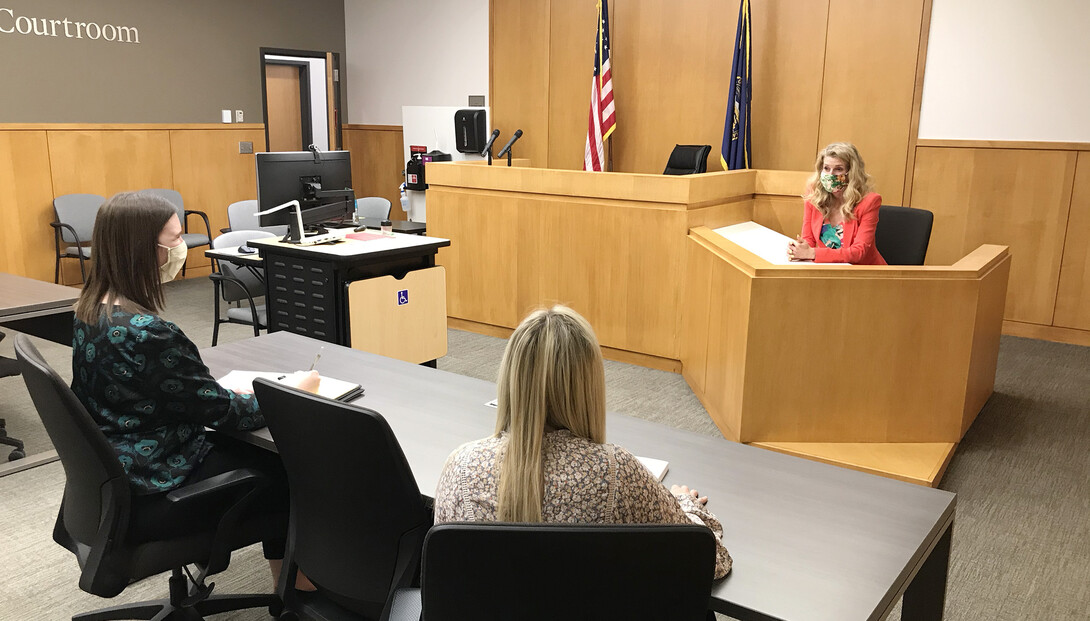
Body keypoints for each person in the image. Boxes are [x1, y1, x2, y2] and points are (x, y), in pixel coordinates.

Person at [70, 190, 318, 587]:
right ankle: (294, 592)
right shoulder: (149, 333)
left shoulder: (89, 309)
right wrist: (294, 391)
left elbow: (162, 390)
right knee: (290, 466)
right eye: (174, 238)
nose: (182, 247)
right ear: (142, 249)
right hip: (157, 484)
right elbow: (227, 413)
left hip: (119, 472)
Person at [433, 305, 732, 580]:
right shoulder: (617, 472)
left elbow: (444, 577)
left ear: (511, 379)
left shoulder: (461, 467)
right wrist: (685, 504)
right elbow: (712, 561)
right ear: (589, 388)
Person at [787, 142, 887, 265]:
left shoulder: (869, 201)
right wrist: (800, 249)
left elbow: (858, 252)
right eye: (826, 168)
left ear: (851, 172)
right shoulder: (814, 196)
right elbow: (809, 240)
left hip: (865, 273)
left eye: (838, 169)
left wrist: (812, 253)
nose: (830, 175)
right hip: (831, 270)